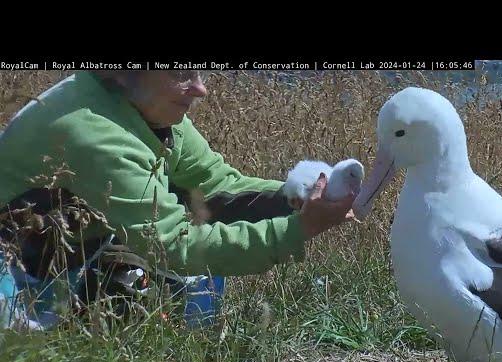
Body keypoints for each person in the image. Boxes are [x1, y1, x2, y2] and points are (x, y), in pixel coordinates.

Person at [0, 70, 355, 329]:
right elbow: (174, 245)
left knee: (183, 215)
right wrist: (298, 230)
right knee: (141, 292)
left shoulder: (142, 104)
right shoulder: (94, 134)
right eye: (180, 73)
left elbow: (217, 185)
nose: (200, 88)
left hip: (72, 245)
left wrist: (299, 197)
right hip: (22, 277)